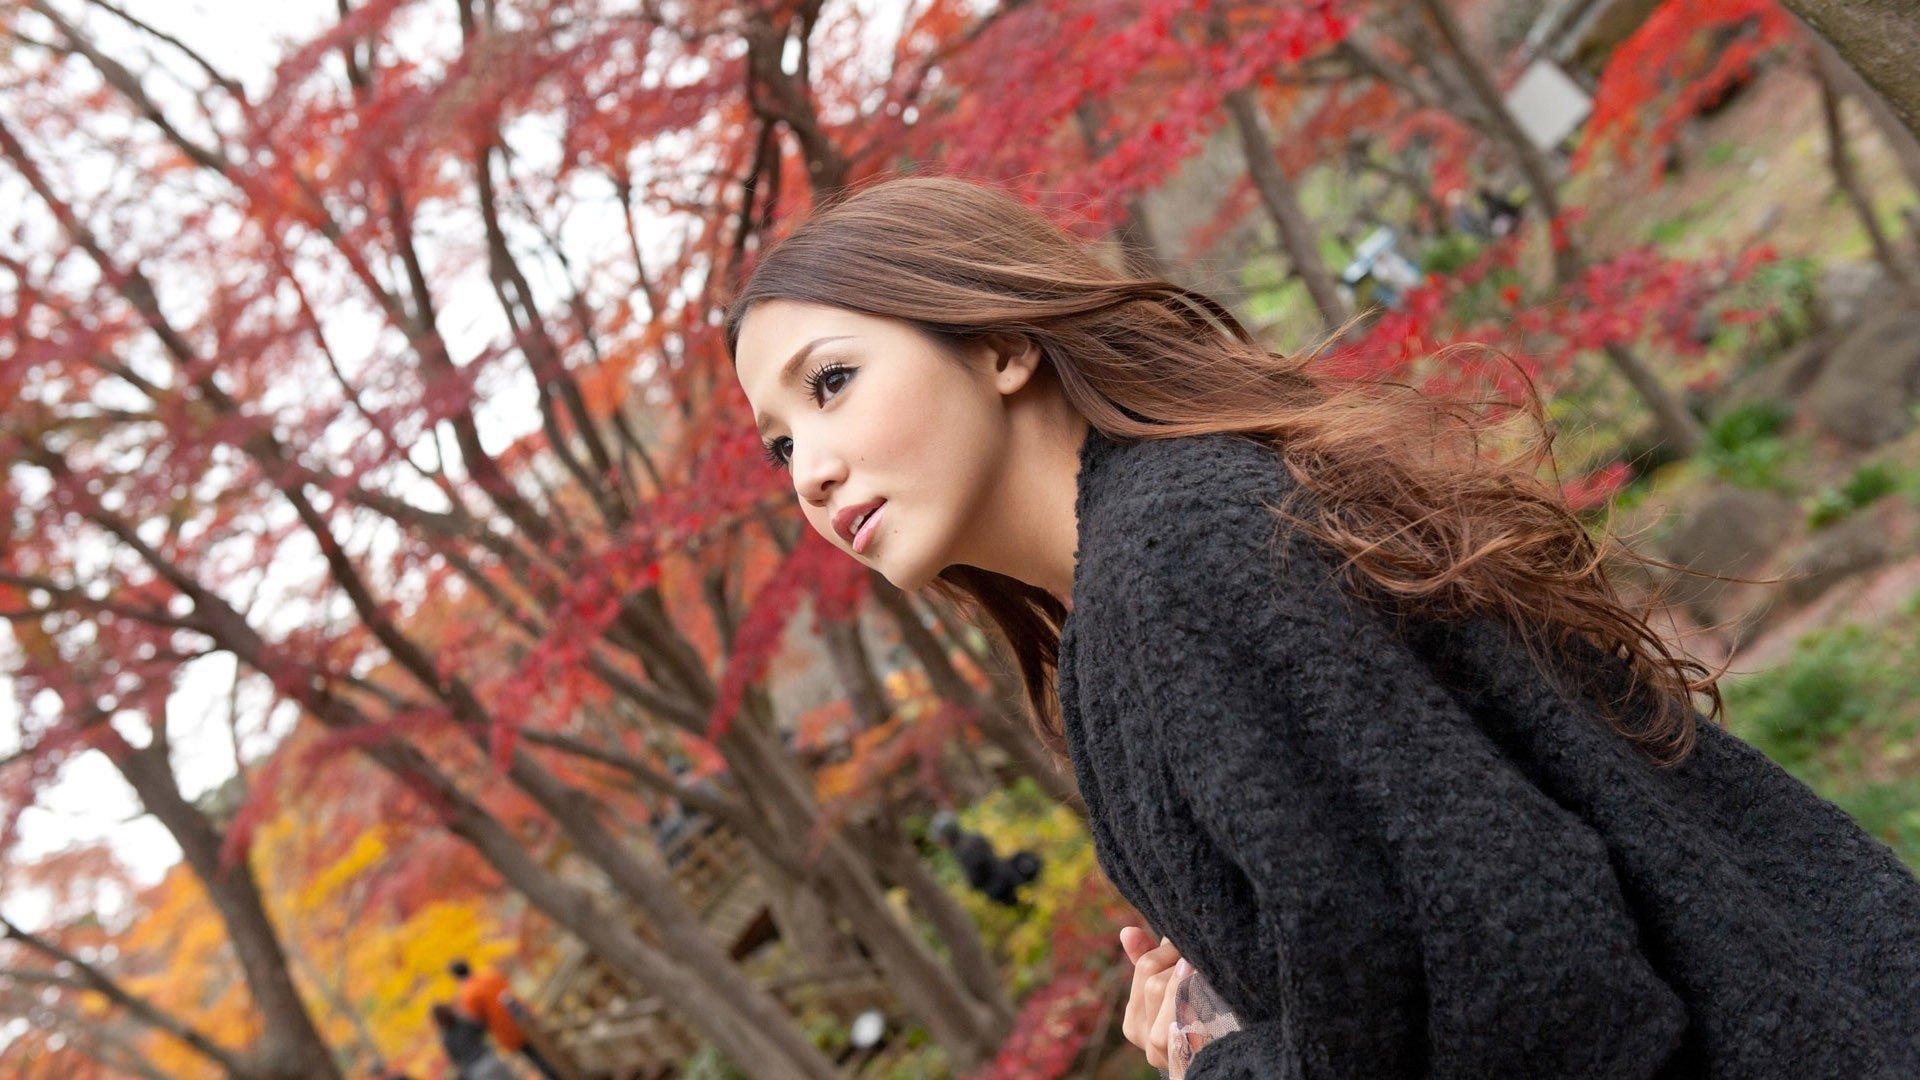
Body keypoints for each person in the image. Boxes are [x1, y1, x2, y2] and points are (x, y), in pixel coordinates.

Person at [726, 174, 1920, 1078]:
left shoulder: (1180, 554)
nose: (811, 471)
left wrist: (1228, 1064)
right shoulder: (1121, 610)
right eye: (781, 445)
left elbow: (1531, 970)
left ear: (1000, 344)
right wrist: (1235, 1003)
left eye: (831, 383)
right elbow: (1394, 937)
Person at [450, 959, 562, 1080]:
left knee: (536, 1058)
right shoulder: (490, 975)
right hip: (524, 1016)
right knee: (547, 1048)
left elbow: (479, 1019)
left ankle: (558, 1076)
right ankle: (563, 1070)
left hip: (507, 1031)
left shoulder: (468, 994)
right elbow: (508, 988)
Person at [928, 809, 1042, 906]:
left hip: (1002, 889)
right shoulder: (973, 837)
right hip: (1007, 874)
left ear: (948, 835)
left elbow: (975, 879)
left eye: (941, 839)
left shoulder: (962, 852)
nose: (941, 843)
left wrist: (971, 886)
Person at [429, 1002, 515, 1080]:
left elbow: (456, 1060)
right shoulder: (464, 1022)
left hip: (475, 1070)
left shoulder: (446, 1040)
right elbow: (481, 1028)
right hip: (488, 1058)